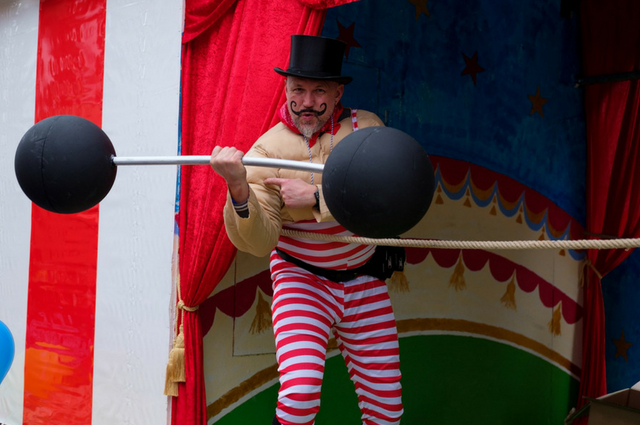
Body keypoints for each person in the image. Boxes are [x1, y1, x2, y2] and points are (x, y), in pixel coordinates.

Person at [210, 35, 403, 425]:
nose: (308, 102)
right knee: (298, 395)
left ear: (337, 93)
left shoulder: (366, 128)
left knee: (387, 409)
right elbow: (259, 240)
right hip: (302, 281)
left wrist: (315, 199)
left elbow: (383, 195)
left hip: (364, 282)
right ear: (285, 90)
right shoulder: (265, 151)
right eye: (299, 89)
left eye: (320, 91)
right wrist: (238, 186)